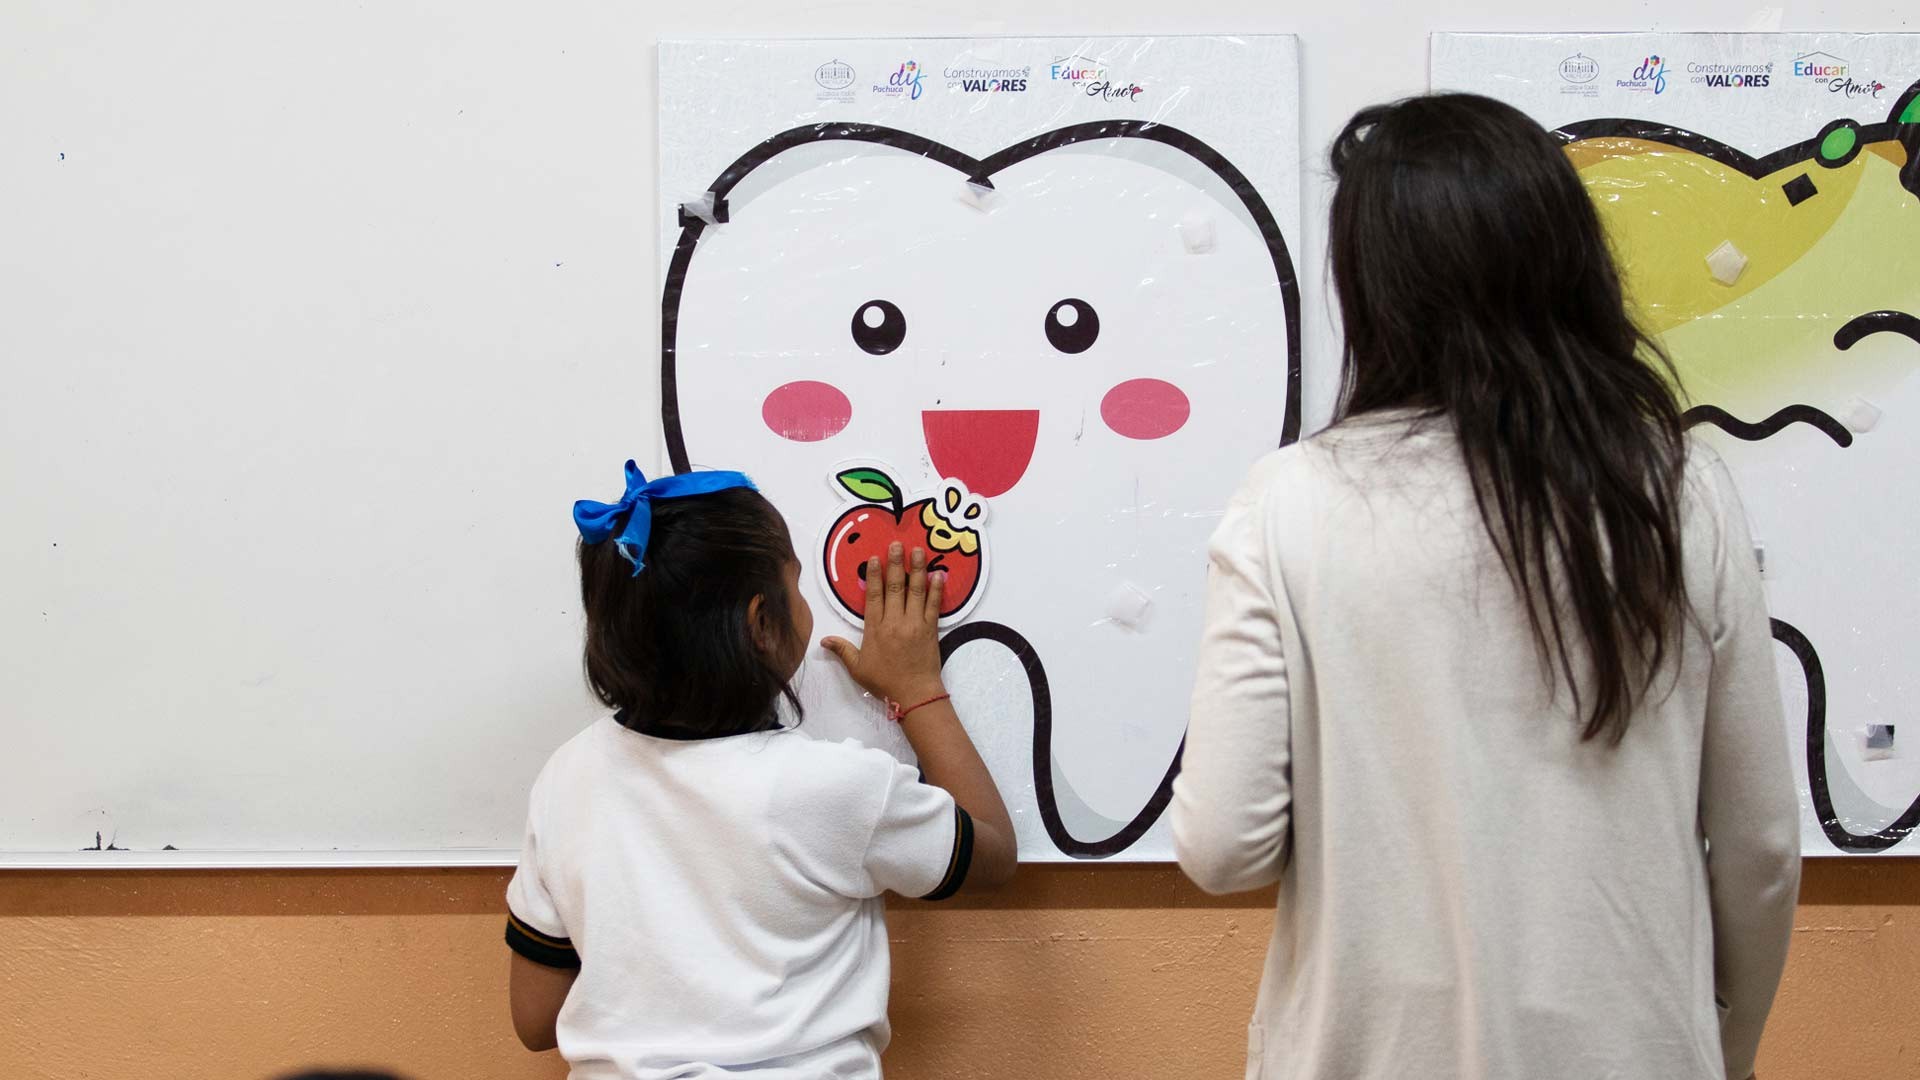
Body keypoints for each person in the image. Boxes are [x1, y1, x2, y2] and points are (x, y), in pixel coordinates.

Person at [1171, 94, 1801, 1080]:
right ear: (1566, 262)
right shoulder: (1677, 490)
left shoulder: (1289, 502)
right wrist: (1727, 1048)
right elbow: (1760, 846)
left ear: (1370, 288)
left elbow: (1222, 847)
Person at [505, 463, 1016, 1078]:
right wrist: (918, 687)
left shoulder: (567, 776)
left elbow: (535, 1020)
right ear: (762, 624)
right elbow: (991, 854)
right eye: (797, 586)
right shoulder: (839, 787)